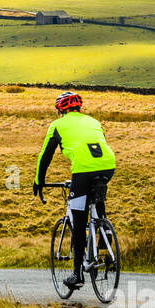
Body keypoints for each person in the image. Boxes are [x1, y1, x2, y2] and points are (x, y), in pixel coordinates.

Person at [32, 90, 116, 289]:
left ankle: (77, 275)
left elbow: (45, 156)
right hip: (108, 164)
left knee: (78, 222)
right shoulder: (94, 121)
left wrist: (39, 182)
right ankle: (104, 228)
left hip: (82, 170)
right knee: (96, 196)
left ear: (60, 109)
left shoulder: (57, 125)